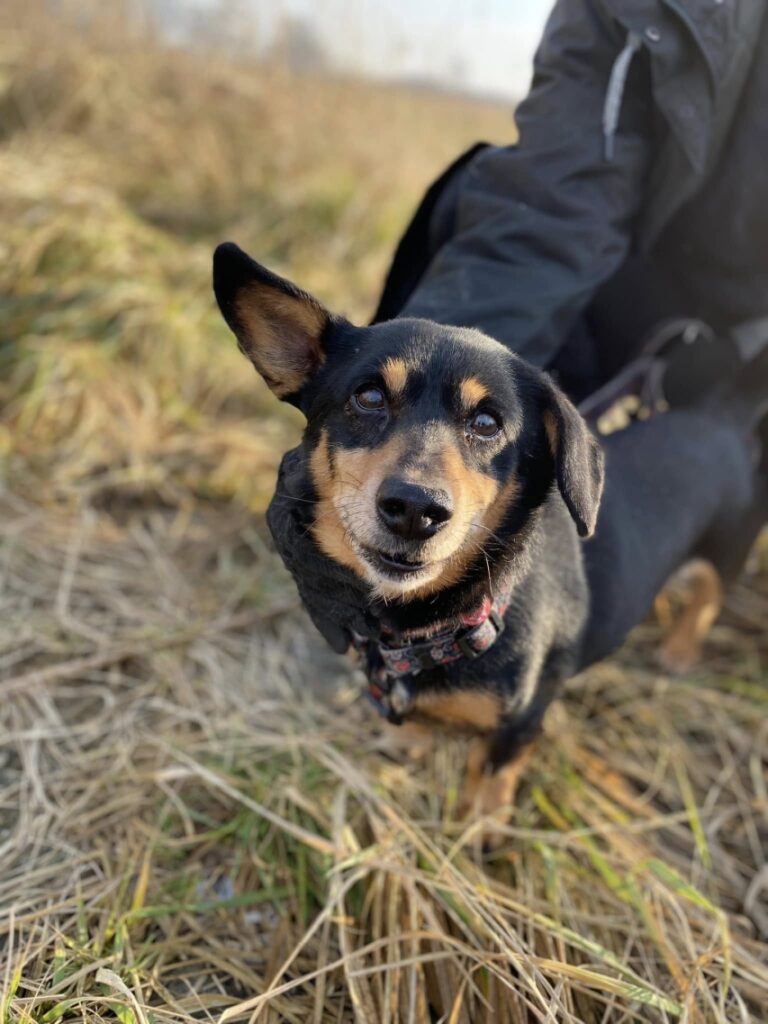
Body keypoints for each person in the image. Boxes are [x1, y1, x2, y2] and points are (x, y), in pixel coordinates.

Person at [374, 0, 768, 406]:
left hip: (745, 337)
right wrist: (417, 396)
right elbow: (552, 207)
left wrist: (748, 348)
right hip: (644, 288)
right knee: (466, 201)